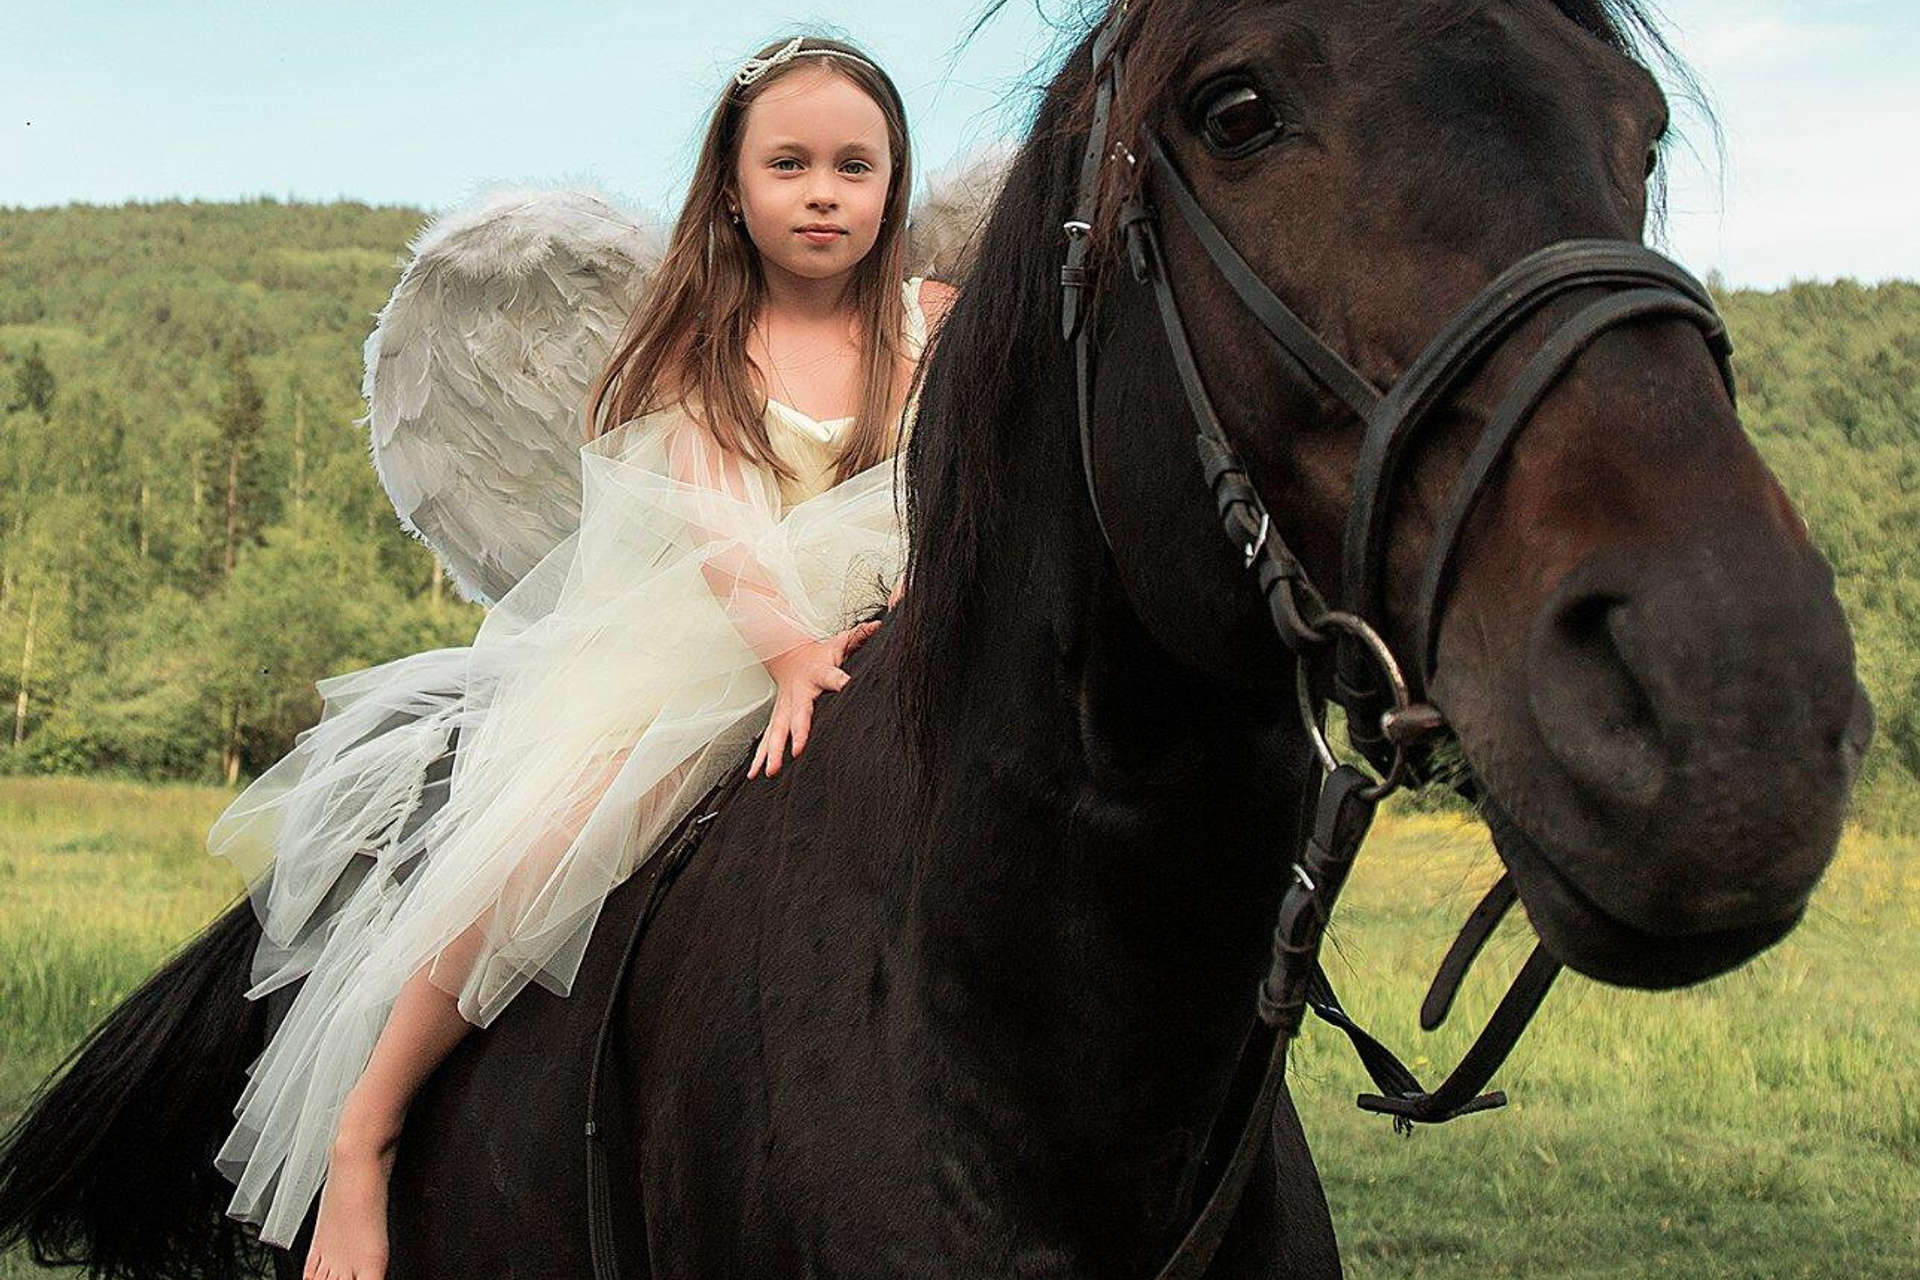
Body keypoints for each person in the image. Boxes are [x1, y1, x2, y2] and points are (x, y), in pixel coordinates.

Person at [202, 34, 956, 1280]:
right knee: (550, 845)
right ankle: (367, 1129)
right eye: (789, 163)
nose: (823, 191)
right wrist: (783, 651)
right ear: (732, 185)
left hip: (901, 629)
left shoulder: (933, 322)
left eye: (854, 166)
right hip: (719, 645)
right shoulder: (703, 345)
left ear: (891, 182)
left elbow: (956, 480)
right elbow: (717, 522)